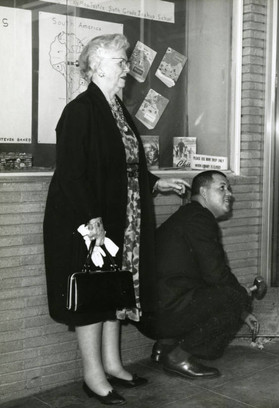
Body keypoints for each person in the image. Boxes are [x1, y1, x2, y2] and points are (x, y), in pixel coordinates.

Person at [43, 34, 189, 405]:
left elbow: (125, 166)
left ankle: (112, 363)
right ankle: (93, 375)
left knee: (114, 290)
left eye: (126, 61)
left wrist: (156, 182)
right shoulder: (80, 110)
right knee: (94, 295)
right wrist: (93, 223)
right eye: (121, 62)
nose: (127, 68)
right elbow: (72, 175)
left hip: (121, 218)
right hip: (88, 221)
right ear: (96, 64)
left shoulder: (116, 109)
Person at [139, 170, 258, 379]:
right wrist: (242, 300)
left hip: (150, 313)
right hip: (162, 314)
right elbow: (216, 275)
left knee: (217, 292)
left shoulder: (188, 215)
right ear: (203, 192)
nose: (229, 193)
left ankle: (164, 347)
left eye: (229, 188)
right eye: (222, 187)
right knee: (234, 296)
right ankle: (178, 358)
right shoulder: (199, 219)